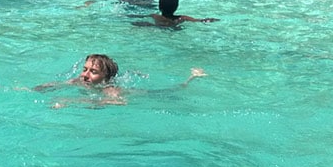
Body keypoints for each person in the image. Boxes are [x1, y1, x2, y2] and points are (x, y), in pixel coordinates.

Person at [33, 54, 207, 107]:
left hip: (149, 94)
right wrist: (34, 89)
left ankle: (192, 77)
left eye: (93, 72)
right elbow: (56, 86)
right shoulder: (79, 80)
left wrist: (68, 101)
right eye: (85, 69)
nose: (85, 75)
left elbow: (118, 103)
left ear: (105, 78)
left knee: (176, 89)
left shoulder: (111, 90)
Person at [135, 0, 219, 27]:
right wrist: (210, 19)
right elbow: (198, 20)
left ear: (160, 6)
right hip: (175, 29)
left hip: (159, 27)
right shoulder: (182, 18)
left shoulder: (155, 16)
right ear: (176, 7)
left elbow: (135, 17)